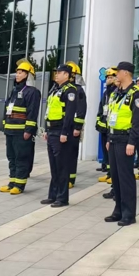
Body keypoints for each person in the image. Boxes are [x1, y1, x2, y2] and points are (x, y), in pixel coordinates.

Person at [104, 62, 139, 227]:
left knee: (125, 177)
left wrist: (132, 142)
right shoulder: (116, 93)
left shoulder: (136, 93)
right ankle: (118, 210)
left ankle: (129, 213)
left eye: (118, 72)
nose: (116, 75)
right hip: (113, 138)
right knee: (115, 177)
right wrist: (109, 138)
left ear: (126, 73)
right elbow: (111, 117)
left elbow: (137, 122)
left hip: (125, 140)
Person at [42, 64, 83, 207]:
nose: (56, 75)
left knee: (61, 166)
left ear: (66, 75)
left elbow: (69, 114)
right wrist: (46, 129)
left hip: (61, 131)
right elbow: (49, 111)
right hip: (52, 130)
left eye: (59, 73)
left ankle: (62, 198)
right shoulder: (55, 89)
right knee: (54, 166)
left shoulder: (70, 90)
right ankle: (52, 195)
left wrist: (65, 132)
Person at [0, 61, 41, 195]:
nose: (17, 75)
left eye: (20, 72)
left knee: (21, 158)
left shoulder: (32, 92)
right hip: (10, 131)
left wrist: (28, 130)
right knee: (11, 157)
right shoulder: (14, 90)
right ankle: (12, 182)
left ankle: (20, 184)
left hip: (21, 132)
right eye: (17, 72)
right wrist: (5, 125)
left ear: (28, 75)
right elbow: (7, 108)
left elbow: (32, 112)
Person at [65, 61, 87, 189]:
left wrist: (78, 128)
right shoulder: (63, 89)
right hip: (63, 126)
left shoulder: (78, 90)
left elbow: (81, 110)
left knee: (71, 154)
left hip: (73, 127)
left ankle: (70, 179)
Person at [96, 67, 117, 180]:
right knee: (105, 151)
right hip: (104, 127)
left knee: (110, 151)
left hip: (112, 127)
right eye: (107, 77)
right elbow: (101, 108)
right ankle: (109, 173)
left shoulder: (116, 92)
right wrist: (98, 122)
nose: (108, 79)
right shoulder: (106, 92)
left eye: (110, 77)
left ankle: (112, 174)